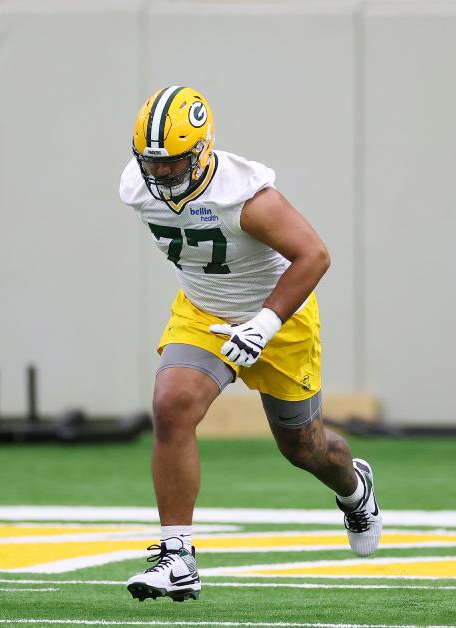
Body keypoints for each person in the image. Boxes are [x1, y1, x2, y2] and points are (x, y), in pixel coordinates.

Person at [118, 86, 382, 602]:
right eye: (154, 162)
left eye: (174, 162)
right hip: (202, 312)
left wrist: (263, 324)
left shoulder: (246, 196)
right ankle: (178, 556)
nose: (163, 174)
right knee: (170, 406)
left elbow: (315, 255)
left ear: (203, 150)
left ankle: (355, 489)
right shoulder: (136, 185)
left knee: (305, 450)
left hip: (279, 320)